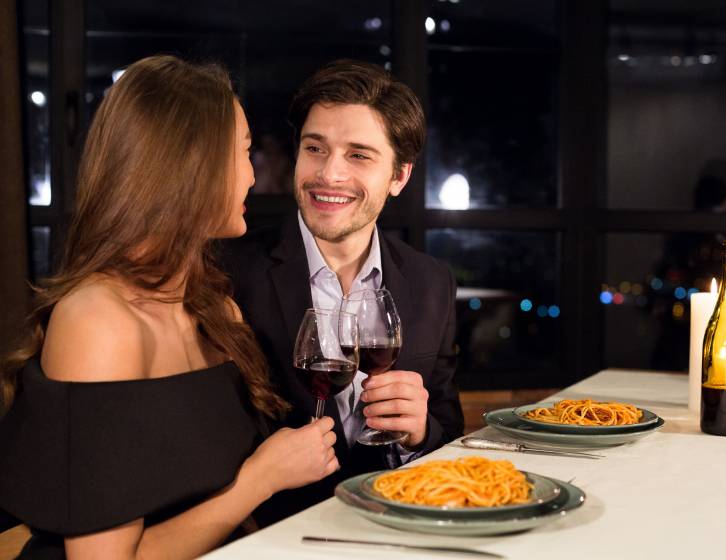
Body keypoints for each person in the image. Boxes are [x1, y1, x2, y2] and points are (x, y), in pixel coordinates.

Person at [0, 55, 338, 559]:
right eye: (244, 153)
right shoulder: (98, 322)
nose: (252, 175)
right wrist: (260, 479)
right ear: (191, 165)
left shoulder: (216, 310)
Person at [226, 59, 464, 520]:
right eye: (315, 148)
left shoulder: (431, 281)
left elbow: (449, 434)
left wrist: (420, 435)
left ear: (399, 177)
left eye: (358, 155)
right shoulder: (230, 274)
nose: (328, 174)